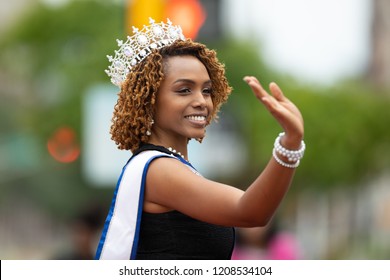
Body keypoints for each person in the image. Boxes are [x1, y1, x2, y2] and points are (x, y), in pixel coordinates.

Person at [95, 18, 305, 260]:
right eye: (184, 90)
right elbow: (250, 213)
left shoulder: (173, 167)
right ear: (148, 100)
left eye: (206, 90)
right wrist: (290, 144)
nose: (202, 101)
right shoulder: (159, 170)